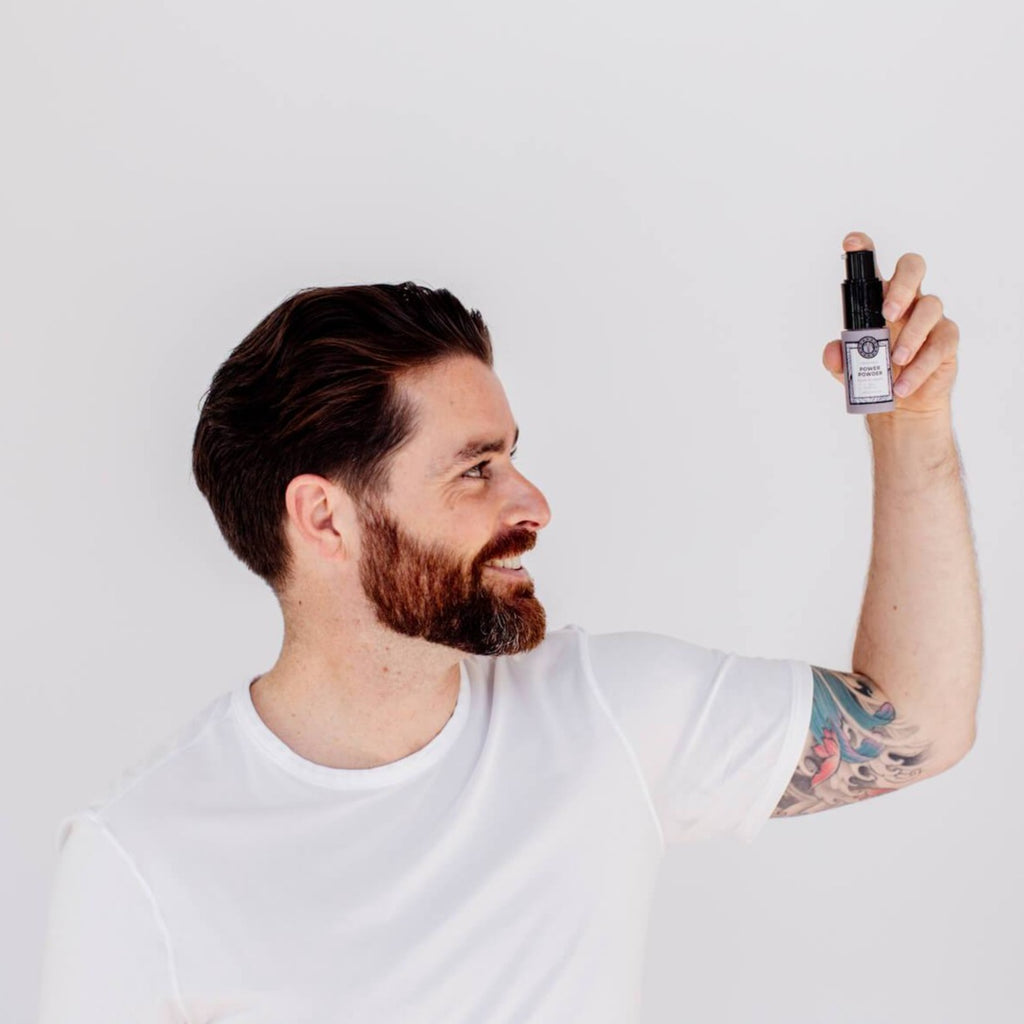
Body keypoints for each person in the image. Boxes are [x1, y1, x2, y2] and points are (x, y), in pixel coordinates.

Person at [37, 234, 981, 1023]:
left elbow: (917, 723)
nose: (534, 505)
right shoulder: (141, 861)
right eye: (475, 469)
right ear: (325, 518)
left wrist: (912, 430)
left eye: (512, 458)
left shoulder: (601, 715)